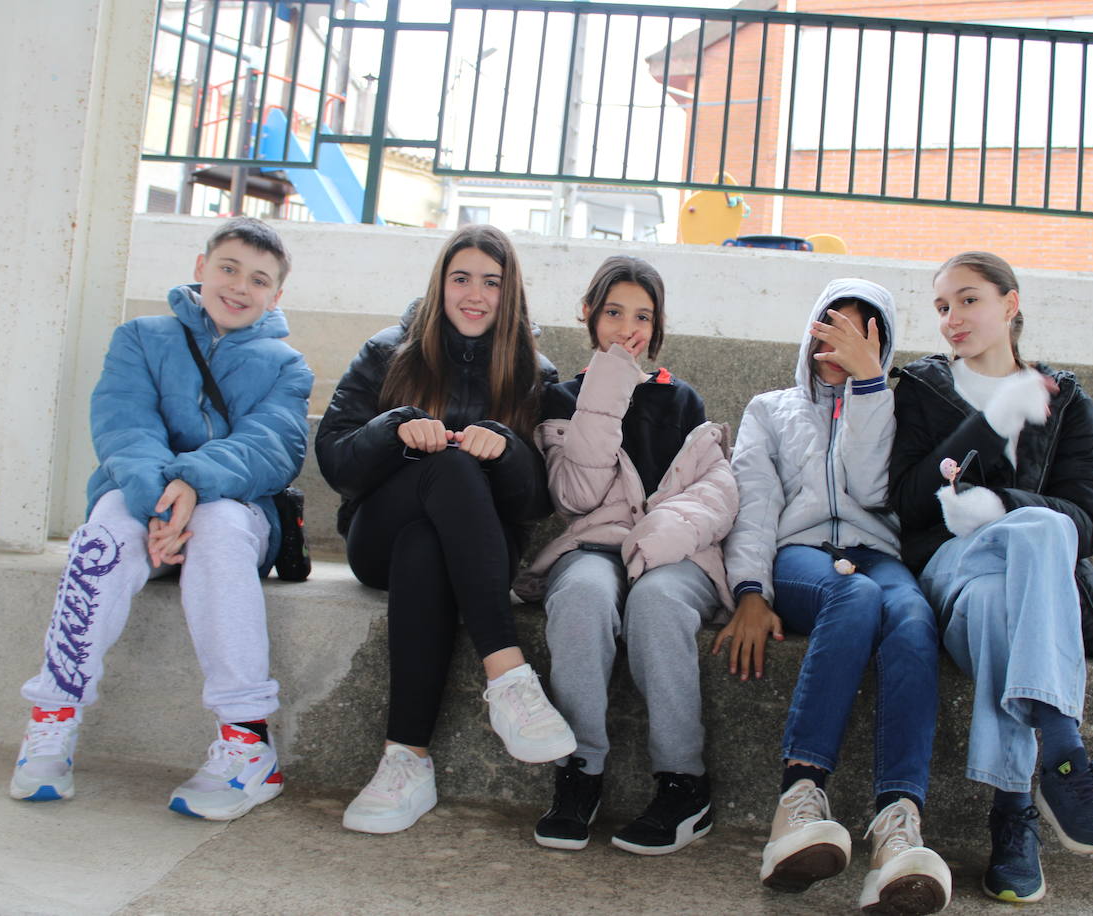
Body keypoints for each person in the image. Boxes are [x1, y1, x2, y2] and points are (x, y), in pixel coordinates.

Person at [11, 217, 313, 821]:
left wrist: (191, 485)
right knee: (104, 532)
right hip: (138, 500)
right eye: (227, 268)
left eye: (258, 279)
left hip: (235, 509)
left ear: (275, 296)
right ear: (201, 269)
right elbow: (124, 425)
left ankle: (248, 741)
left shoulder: (287, 365)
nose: (238, 286)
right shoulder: (141, 338)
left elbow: (271, 447)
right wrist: (159, 501)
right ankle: (53, 716)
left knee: (221, 526)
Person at [890, 251, 1093, 905]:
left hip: (1019, 590)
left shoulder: (1065, 400)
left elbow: (1090, 521)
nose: (952, 318)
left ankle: (1015, 812)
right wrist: (991, 418)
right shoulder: (920, 388)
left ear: (1011, 303)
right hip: (952, 572)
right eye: (942, 306)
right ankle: (1059, 754)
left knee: (1040, 542)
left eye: (968, 300)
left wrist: (1004, 507)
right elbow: (909, 502)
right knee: (1029, 548)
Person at [316, 224, 575, 835]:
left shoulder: (534, 372)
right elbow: (334, 461)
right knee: (444, 472)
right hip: (378, 533)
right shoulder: (387, 352)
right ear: (441, 284)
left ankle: (406, 760)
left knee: (428, 547)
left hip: (471, 553)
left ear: (510, 292)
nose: (475, 294)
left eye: (492, 281)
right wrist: (396, 428)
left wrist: (507, 448)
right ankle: (508, 678)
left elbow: (539, 500)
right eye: (462, 278)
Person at [716, 279, 952, 913]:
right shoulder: (771, 409)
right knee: (856, 599)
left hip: (878, 553)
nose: (837, 341)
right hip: (802, 555)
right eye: (829, 324)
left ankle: (898, 824)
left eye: (858, 331)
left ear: (880, 343)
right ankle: (798, 800)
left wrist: (870, 386)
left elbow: (874, 490)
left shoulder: (895, 408)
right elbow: (755, 506)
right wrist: (750, 589)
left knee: (909, 614)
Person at [515, 256, 737, 856]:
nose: (627, 328)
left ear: (658, 326)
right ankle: (579, 771)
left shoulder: (681, 398)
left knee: (658, 602)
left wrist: (664, 533)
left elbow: (717, 487)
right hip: (592, 543)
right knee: (584, 594)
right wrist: (608, 384)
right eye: (613, 312)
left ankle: (684, 783)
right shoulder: (560, 399)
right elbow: (576, 495)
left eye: (642, 316)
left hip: (675, 550)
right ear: (588, 314)